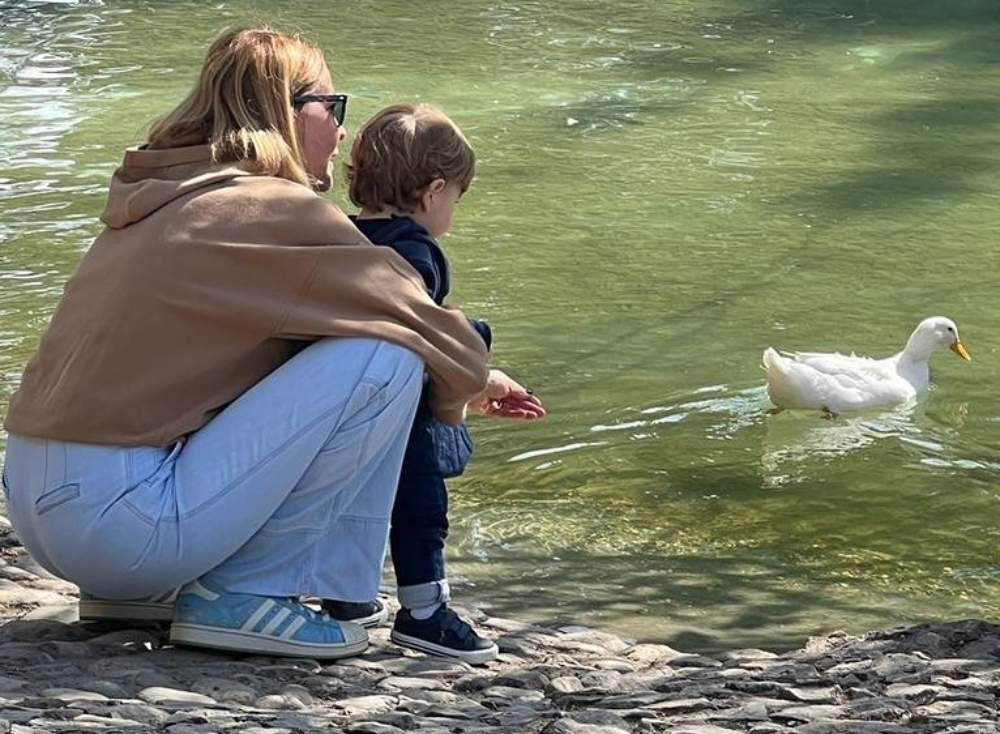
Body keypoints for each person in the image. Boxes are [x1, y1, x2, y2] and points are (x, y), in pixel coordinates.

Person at [0, 27, 498, 661]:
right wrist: (460, 399)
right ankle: (249, 593)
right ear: (286, 111)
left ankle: (141, 590)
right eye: (332, 106)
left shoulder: (165, 197)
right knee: (388, 354)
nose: (343, 133)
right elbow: (438, 339)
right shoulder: (269, 210)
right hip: (120, 526)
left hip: (43, 513)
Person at [319, 103, 545, 664]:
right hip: (401, 407)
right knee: (421, 505)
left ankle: (344, 597)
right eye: (456, 199)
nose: (453, 211)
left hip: (334, 403)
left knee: (347, 502)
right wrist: (473, 379)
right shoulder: (417, 252)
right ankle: (424, 612)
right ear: (432, 192)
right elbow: (420, 334)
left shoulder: (336, 235)